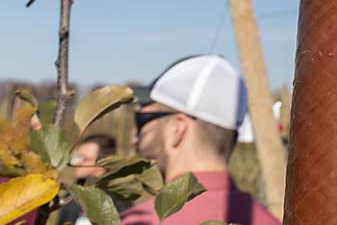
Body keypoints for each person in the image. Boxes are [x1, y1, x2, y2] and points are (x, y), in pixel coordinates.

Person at [119, 54, 280, 225]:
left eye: (142, 121)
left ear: (177, 129)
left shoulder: (141, 221)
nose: (133, 139)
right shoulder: (269, 221)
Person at [59, 134, 130, 225]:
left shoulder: (118, 199)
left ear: (102, 164)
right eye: (78, 157)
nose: (77, 162)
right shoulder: (71, 196)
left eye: (85, 159)